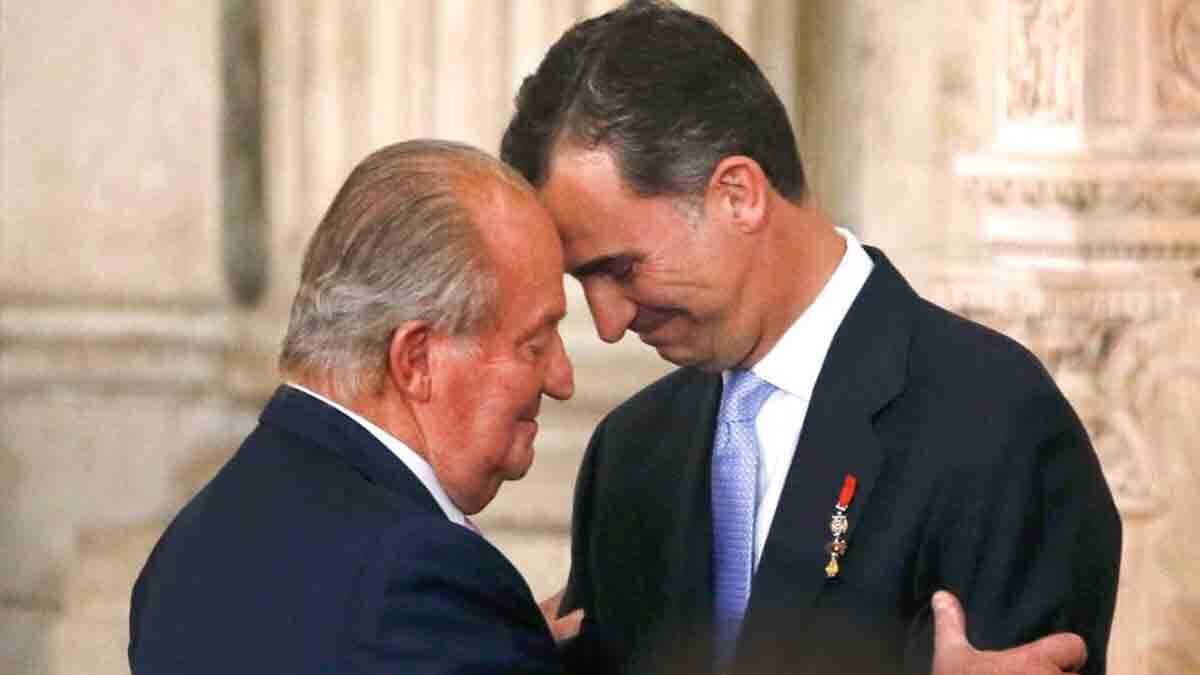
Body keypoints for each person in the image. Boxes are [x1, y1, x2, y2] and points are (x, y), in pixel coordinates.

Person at [500, 2, 1121, 675]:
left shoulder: (995, 426)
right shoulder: (630, 456)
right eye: (580, 283)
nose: (608, 322)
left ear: (738, 194)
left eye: (620, 269)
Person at [128, 140, 576, 674]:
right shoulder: (412, 579)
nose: (563, 379)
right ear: (415, 360)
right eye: (533, 344)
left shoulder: (189, 548)